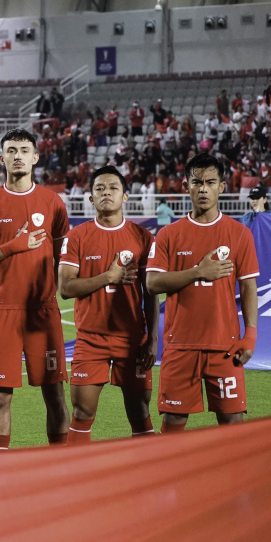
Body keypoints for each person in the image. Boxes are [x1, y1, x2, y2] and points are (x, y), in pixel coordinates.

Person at [0, 128, 71, 449]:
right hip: (2, 312)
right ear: (1, 158)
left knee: (54, 393)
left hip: (43, 311)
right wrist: (13, 246)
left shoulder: (53, 202)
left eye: (24, 150)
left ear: (36, 157)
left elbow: (61, 258)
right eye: (11, 150)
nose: (18, 155)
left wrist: (48, 291)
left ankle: (62, 466)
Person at [146, 153, 259, 432]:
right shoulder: (169, 234)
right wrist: (198, 272)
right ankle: (171, 477)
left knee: (232, 423)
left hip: (225, 345)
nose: (203, 188)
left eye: (210, 182)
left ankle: (233, 478)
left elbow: (247, 285)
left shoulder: (239, 233)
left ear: (222, 187)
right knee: (173, 422)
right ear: (186, 186)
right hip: (179, 345)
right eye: (197, 182)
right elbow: (152, 284)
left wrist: (251, 335)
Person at [58, 166, 158, 442]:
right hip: (90, 339)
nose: (106, 193)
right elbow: (65, 288)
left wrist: (153, 338)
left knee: (140, 411)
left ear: (125, 196)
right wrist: (108, 277)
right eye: (99, 189)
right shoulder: (76, 237)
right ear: (90, 198)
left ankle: (151, 479)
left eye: (113, 188)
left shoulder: (144, 238)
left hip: (133, 339)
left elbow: (150, 293)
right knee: (82, 412)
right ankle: (78, 481)